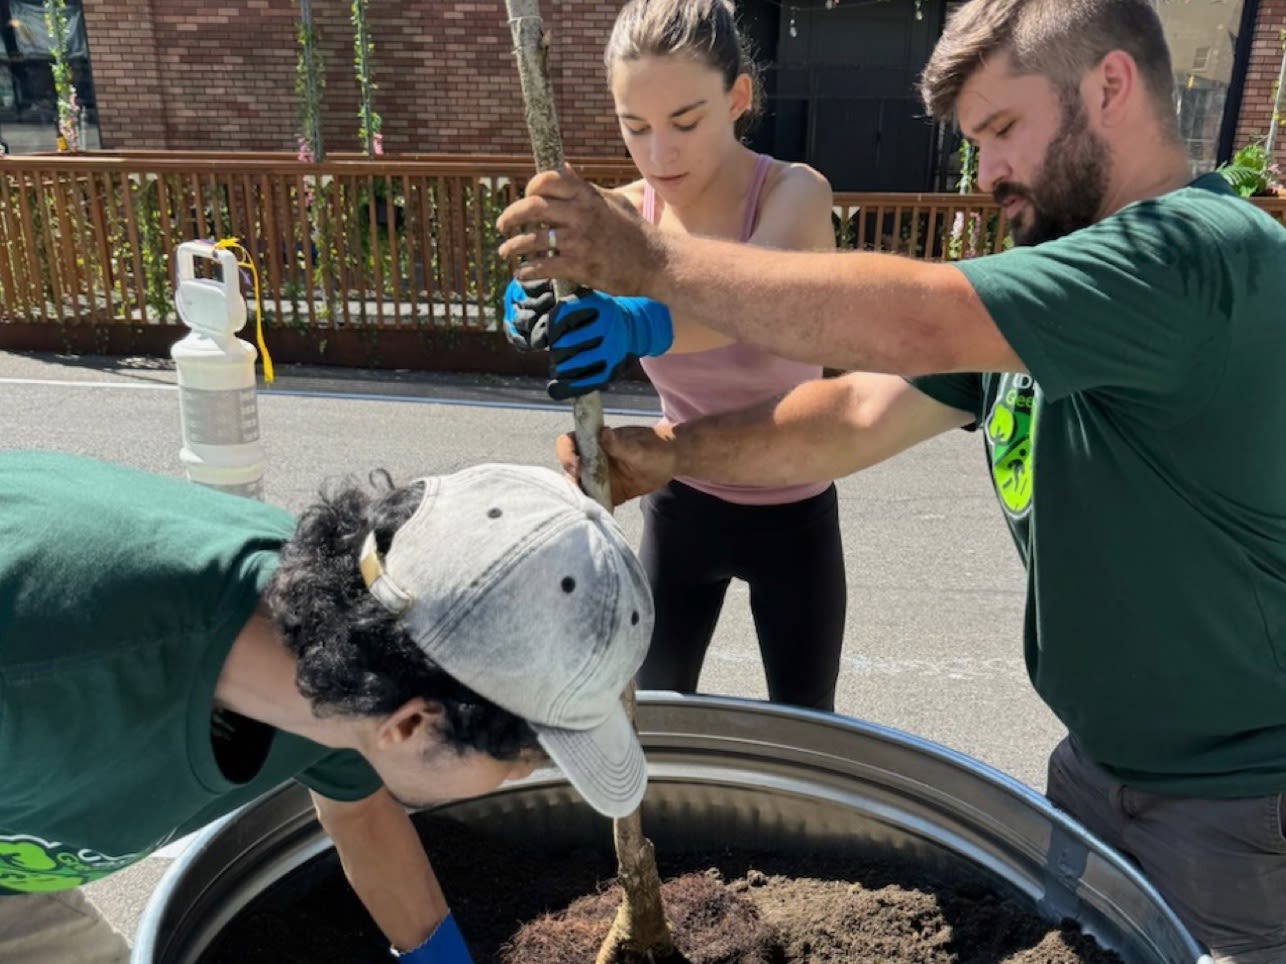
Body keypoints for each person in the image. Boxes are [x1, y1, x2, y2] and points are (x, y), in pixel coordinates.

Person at [497, 0, 1286, 959]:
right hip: (1095, 770)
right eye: (975, 142)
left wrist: (652, 265)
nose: (986, 171)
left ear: (1110, 87)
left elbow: (913, 320)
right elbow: (857, 412)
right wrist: (671, 456)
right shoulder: (1054, 289)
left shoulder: (1200, 255)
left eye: (1001, 131)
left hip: (1238, 808)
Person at [0, 451, 653, 964]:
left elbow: (362, 814)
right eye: (518, 761)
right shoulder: (47, 680)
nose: (524, 777)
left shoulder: (347, 645)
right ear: (413, 725)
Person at [503, 0, 848, 712]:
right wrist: (529, 299)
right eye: (636, 128)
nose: (660, 154)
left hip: (796, 504)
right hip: (680, 495)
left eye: (685, 123)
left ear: (739, 97)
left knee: (809, 725)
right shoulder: (623, 214)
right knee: (653, 715)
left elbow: (752, 294)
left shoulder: (794, 194)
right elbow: (546, 266)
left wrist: (635, 323)